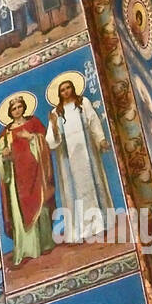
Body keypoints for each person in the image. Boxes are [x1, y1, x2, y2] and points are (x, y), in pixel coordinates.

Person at [45, 77, 114, 241]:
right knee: (74, 191)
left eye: (68, 88)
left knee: (93, 185)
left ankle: (100, 223)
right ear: (59, 94)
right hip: (69, 159)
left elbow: (94, 122)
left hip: (87, 153)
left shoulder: (83, 103)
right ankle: (80, 230)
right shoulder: (56, 113)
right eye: (62, 90)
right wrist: (54, 125)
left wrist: (101, 139)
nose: (66, 91)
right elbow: (52, 140)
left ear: (73, 88)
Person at [0, 95, 56, 265]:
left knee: (41, 206)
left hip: (36, 173)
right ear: (10, 112)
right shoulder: (6, 133)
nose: (17, 110)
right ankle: (27, 249)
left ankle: (44, 244)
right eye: (13, 109)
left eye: (19, 106)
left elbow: (46, 142)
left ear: (24, 107)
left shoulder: (33, 123)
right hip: (17, 178)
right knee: (19, 212)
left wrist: (32, 138)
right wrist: (4, 155)